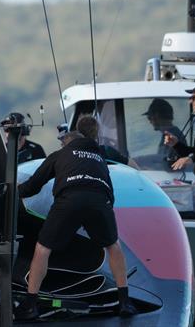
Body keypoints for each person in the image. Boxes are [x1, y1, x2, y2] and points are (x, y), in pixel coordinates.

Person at [15, 131, 137, 319]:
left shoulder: (60, 154)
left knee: (43, 248)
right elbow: (109, 192)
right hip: (99, 201)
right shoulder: (99, 157)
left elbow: (33, 186)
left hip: (69, 200)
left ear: (66, 143)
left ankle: (30, 305)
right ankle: (125, 302)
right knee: (113, 245)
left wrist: (13, 191)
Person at [142, 98, 186, 169]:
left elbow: (171, 165)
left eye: (149, 118)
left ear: (156, 116)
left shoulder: (172, 136)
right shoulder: (171, 134)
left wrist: (152, 169)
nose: (150, 122)